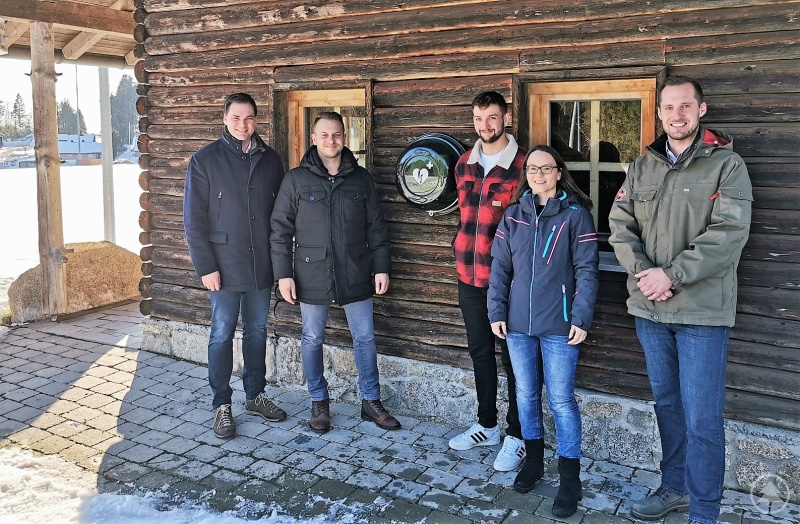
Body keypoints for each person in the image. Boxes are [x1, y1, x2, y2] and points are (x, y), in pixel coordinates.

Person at [608, 76, 752, 524]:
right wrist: (646, 276)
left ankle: (705, 512)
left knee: (703, 419)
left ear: (701, 110)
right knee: (668, 405)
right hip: (650, 311)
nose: (677, 115)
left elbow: (729, 234)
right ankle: (675, 488)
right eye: (669, 107)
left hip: (701, 315)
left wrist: (671, 274)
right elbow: (620, 224)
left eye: (686, 106)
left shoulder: (727, 166)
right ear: (659, 113)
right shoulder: (641, 167)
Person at [270, 111, 400, 433]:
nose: (332, 140)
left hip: (356, 270)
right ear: (313, 139)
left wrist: (381, 267)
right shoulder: (296, 179)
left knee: (365, 338)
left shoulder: (361, 178)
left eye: (337, 134)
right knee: (312, 338)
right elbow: (280, 230)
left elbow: (376, 227)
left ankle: (370, 401)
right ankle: (319, 401)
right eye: (325, 135)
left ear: (345, 137)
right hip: (310, 274)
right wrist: (283, 274)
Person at [488, 145, 599, 517]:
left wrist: (580, 318)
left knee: (561, 399)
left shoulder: (575, 216)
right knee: (526, 394)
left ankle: (570, 477)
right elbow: (500, 268)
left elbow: (587, 270)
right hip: (518, 324)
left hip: (559, 325)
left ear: (558, 172)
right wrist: (495, 311)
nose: (538, 175)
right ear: (527, 175)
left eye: (546, 169)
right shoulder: (514, 217)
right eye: (532, 169)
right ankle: (533, 459)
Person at [183, 92, 288, 439]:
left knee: (257, 331)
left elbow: (280, 216)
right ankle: (221, 404)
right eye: (236, 118)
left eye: (249, 119)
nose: (243, 125)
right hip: (223, 266)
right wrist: (205, 266)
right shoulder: (205, 160)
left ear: (256, 121)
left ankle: (255, 395)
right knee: (222, 333)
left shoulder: (271, 160)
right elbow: (193, 219)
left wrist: (280, 263)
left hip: (260, 264)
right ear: (225, 119)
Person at [448, 90, 526, 473]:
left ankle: (518, 434)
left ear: (506, 117)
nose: (485, 126)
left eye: (492, 118)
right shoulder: (464, 163)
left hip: (509, 282)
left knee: (514, 360)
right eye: (479, 119)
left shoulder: (525, 165)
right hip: (469, 274)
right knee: (481, 353)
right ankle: (486, 424)